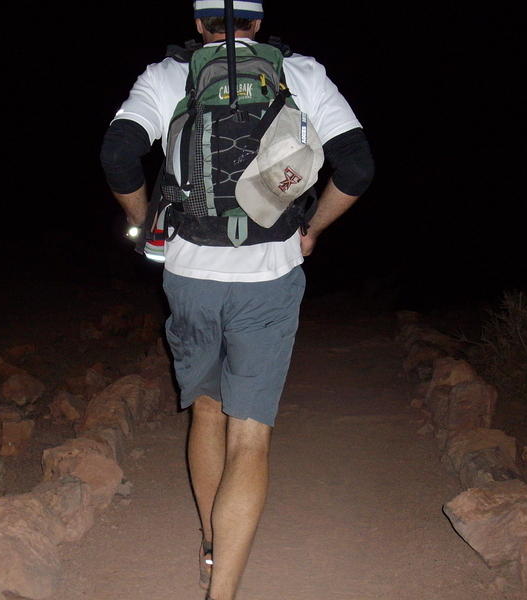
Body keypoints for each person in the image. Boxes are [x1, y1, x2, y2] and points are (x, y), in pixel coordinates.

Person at [100, 2, 374, 598]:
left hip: (191, 272)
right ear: (259, 21)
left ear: (199, 24)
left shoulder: (167, 76)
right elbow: (357, 167)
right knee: (250, 433)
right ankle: (221, 592)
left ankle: (208, 540)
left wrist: (149, 223)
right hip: (271, 274)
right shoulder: (301, 73)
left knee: (204, 408)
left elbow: (117, 155)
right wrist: (313, 230)